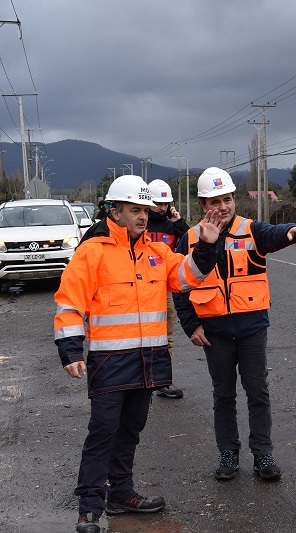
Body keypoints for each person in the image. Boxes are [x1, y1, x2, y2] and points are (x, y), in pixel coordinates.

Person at [54, 175, 225, 533]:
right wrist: (70, 349)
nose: (143, 217)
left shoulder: (157, 251)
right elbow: (70, 302)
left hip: (146, 360)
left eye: (146, 210)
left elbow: (185, 278)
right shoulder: (92, 251)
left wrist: (206, 247)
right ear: (114, 212)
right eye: (135, 210)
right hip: (110, 361)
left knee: (131, 429)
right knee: (103, 431)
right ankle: (90, 509)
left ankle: (121, 494)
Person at [173, 167, 296, 482]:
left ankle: (263, 455)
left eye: (227, 199)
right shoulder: (190, 238)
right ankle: (228, 453)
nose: (222, 206)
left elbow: (274, 233)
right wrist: (190, 324)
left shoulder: (251, 230)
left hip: (251, 328)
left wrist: (291, 231)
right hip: (214, 333)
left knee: (257, 391)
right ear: (202, 205)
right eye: (214, 201)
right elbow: (178, 285)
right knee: (223, 394)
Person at [147, 179, 191, 399]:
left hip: (165, 288)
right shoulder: (141, 223)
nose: (162, 208)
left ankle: (164, 381)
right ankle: (139, 379)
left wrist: (179, 222)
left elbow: (192, 243)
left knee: (166, 336)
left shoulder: (171, 225)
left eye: (165, 204)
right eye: (158, 203)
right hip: (142, 286)